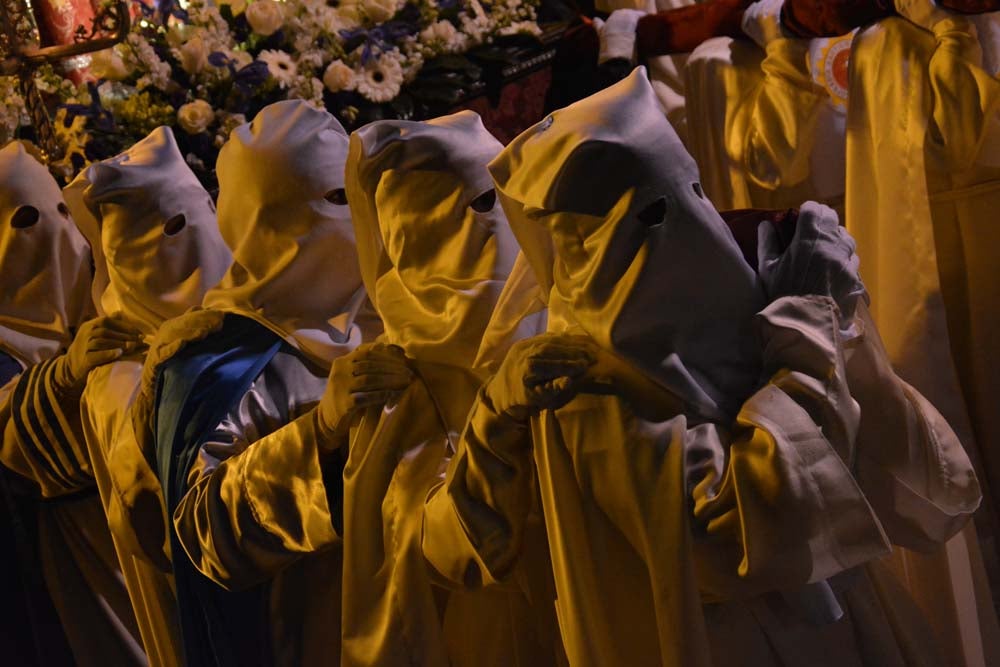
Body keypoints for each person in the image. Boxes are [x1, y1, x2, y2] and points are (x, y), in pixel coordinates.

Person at [425, 69, 980, 666]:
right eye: (661, 211)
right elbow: (755, 524)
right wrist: (811, 322)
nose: (696, 225)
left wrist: (824, 313)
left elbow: (872, 450)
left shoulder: (696, 312)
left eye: (696, 193)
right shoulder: (587, 382)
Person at [129, 99, 380, 666]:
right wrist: (319, 437)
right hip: (318, 629)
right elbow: (202, 537)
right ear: (270, 222)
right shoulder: (214, 366)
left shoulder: (388, 305)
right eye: (337, 202)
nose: (362, 221)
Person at [331, 110, 559, 665]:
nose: (507, 222)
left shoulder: (551, 295)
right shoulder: (401, 380)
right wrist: (497, 426)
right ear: (422, 233)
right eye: (483, 206)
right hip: (503, 630)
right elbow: (440, 548)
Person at [62, 125, 233, 667]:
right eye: (175, 229)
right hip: (205, 602)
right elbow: (154, 523)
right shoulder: (122, 375)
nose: (202, 237)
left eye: (204, 210)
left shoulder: (232, 312)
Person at [0, 141, 147, 666]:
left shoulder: (102, 306)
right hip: (57, 570)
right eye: (24, 219)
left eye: (64, 213)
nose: (55, 235)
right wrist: (63, 378)